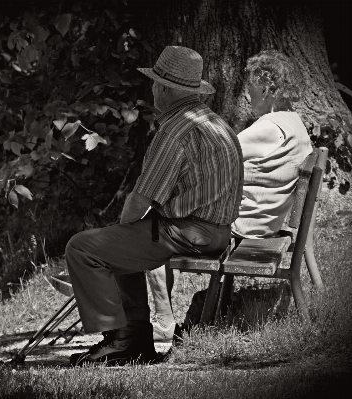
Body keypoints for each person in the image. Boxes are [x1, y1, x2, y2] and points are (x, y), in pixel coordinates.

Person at [65, 46, 244, 366]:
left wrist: (119, 233)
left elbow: (141, 198)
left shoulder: (175, 130)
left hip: (192, 230)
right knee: (121, 242)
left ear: (162, 88)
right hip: (218, 231)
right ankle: (132, 338)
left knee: (84, 246)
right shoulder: (215, 121)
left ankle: (123, 340)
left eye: (154, 84)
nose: (152, 90)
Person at [147, 49, 313, 337]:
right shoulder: (294, 123)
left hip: (242, 228)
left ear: (266, 88)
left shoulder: (269, 129)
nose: (247, 96)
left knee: (150, 226)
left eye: (249, 89)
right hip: (263, 222)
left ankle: (163, 318)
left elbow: (216, 154)